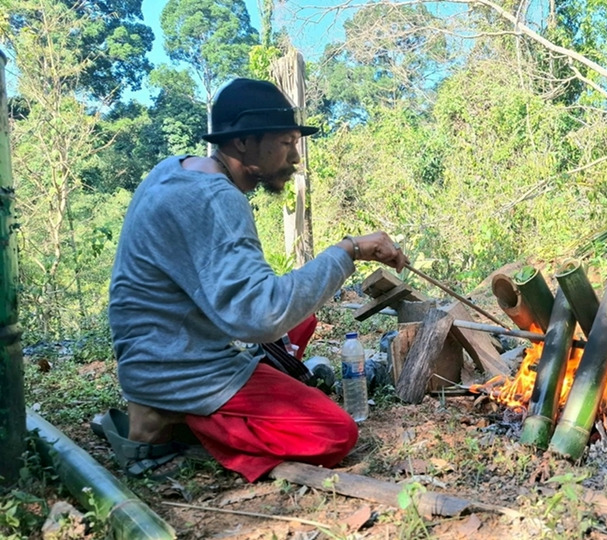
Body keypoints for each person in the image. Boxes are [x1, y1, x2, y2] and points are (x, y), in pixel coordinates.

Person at [105, 77, 409, 481]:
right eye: (286, 143)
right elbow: (261, 315)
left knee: (302, 318)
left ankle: (173, 408)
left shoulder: (174, 171)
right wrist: (349, 250)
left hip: (156, 349)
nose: (295, 157)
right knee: (333, 433)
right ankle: (167, 418)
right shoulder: (216, 198)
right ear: (243, 143)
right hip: (177, 368)